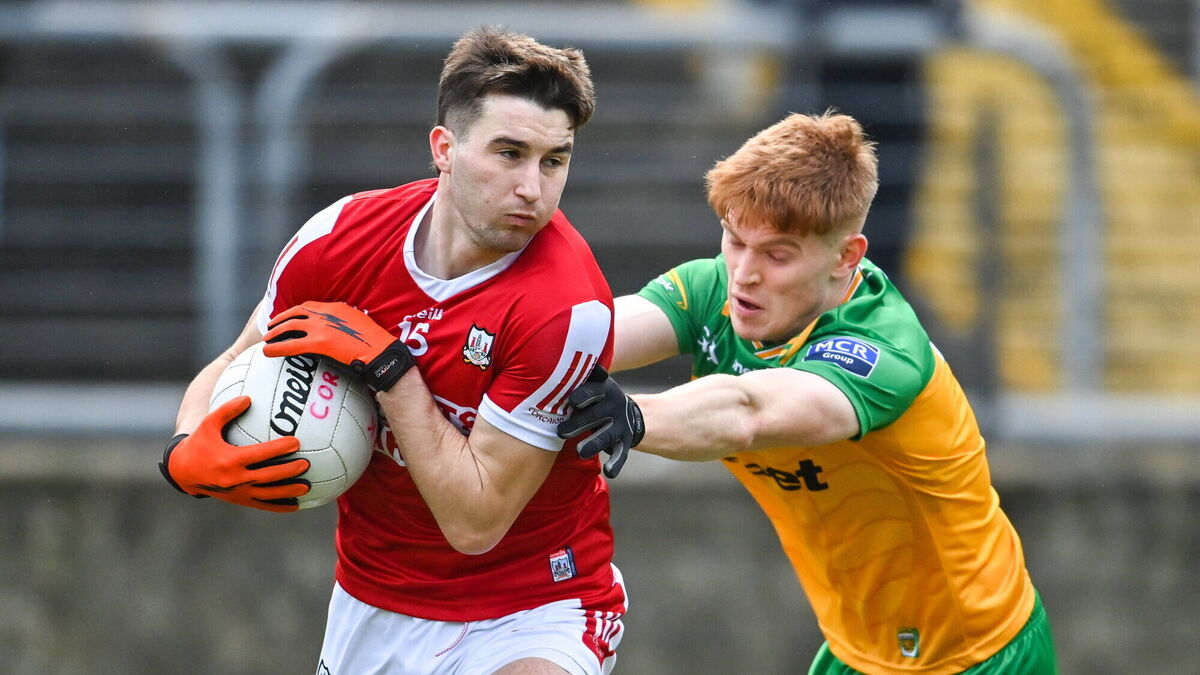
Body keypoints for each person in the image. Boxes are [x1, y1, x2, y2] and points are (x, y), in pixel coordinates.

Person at [159, 27, 626, 675]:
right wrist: (184, 450)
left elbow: (475, 523)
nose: (532, 187)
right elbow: (238, 358)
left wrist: (393, 374)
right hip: (374, 598)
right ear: (444, 149)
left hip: (533, 606)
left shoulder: (566, 306)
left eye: (554, 161)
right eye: (510, 153)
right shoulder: (338, 239)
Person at [558, 112, 1057, 674]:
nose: (744, 274)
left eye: (778, 254)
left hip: (976, 653)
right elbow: (592, 334)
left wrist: (633, 415)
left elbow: (750, 410)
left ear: (846, 256)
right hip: (853, 652)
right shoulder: (716, 289)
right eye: (734, 240)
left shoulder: (882, 351)